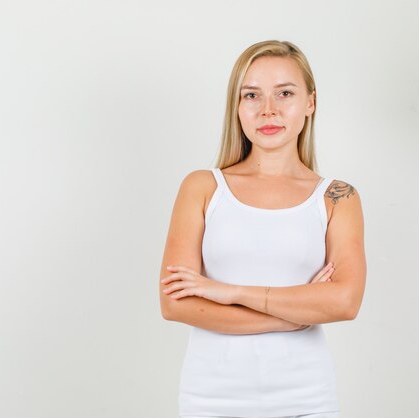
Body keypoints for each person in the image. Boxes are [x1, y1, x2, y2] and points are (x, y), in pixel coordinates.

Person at [159, 40, 366, 418]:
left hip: (306, 398)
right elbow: (175, 303)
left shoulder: (338, 197)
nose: (268, 109)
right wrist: (297, 313)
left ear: (310, 103)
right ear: (236, 107)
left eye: (284, 93)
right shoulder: (203, 187)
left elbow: (344, 302)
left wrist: (227, 291)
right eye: (251, 95)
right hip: (210, 398)